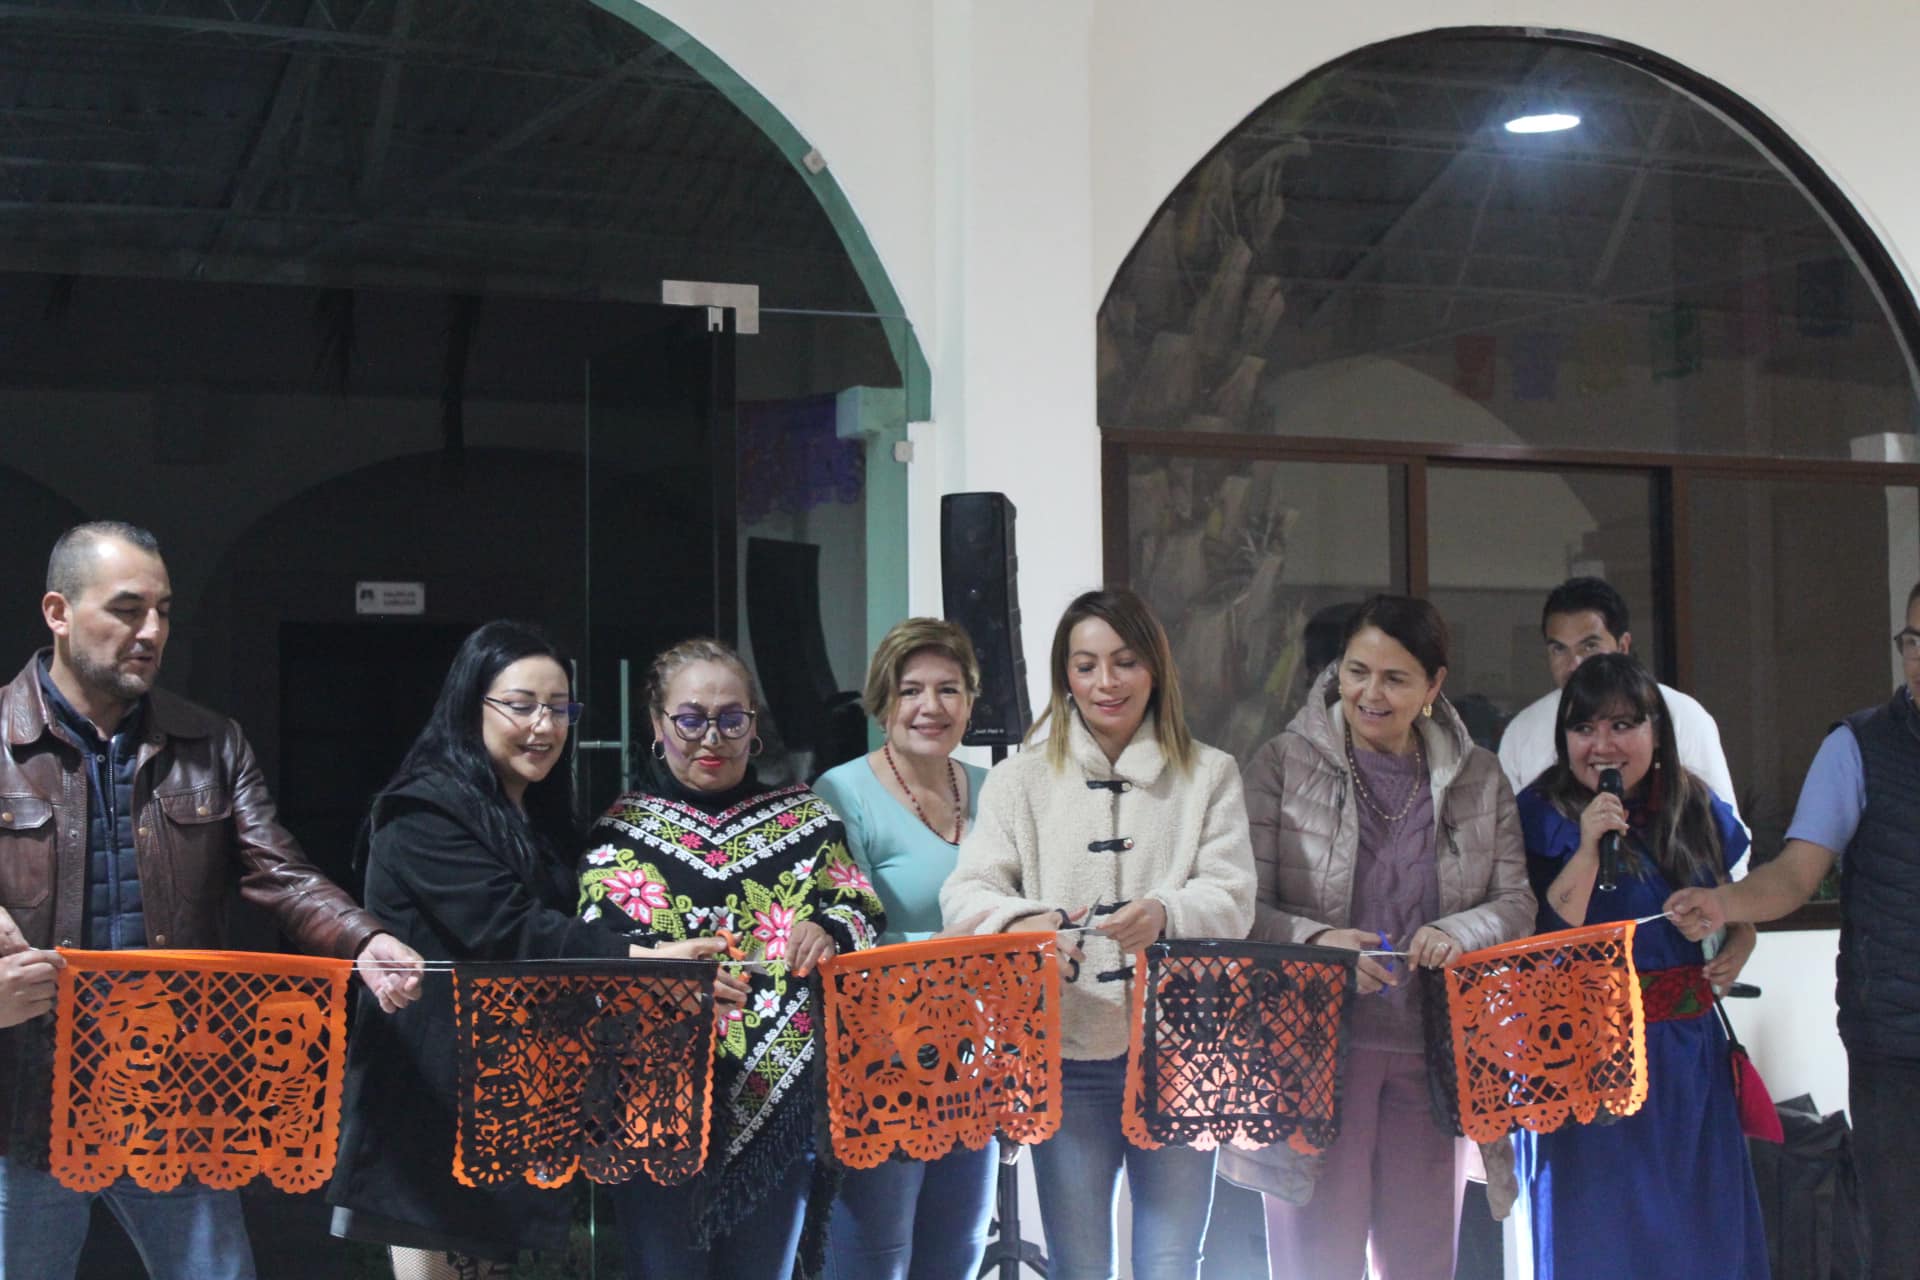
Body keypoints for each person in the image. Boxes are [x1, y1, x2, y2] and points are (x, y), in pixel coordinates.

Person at [0, 521, 425, 1280]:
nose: (152, 631)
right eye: (127, 609)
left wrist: (364, 942)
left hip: (174, 1092)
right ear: (57, 612)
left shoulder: (210, 742)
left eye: (163, 611)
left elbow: (280, 872)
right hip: (19, 1099)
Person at [326, 621, 742, 1278]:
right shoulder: (423, 810)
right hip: (427, 1102)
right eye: (521, 706)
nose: (544, 726)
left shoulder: (531, 811)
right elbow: (511, 931)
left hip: (503, 1091)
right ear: (472, 707)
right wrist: (650, 964)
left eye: (559, 708)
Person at [940, 587, 1255, 1280]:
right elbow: (965, 895)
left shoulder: (1210, 774)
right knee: (1081, 1267)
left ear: (1154, 670)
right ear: (1065, 678)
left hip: (1183, 1053)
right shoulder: (1020, 782)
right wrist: (1031, 926)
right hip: (1067, 1054)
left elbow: (1234, 897)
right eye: (1085, 666)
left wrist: (1168, 911)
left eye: (1124, 662)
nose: (1105, 683)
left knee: (1172, 1264)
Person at [1222, 594, 1534, 1280]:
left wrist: (1459, 930)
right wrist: (1316, 942)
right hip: (1309, 1053)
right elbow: (1241, 903)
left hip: (1432, 1053)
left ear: (1434, 686)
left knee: (1422, 1261)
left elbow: (1515, 901)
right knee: (1317, 1263)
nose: (1370, 693)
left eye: (1395, 678)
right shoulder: (1281, 765)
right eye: (1357, 671)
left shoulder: (1478, 777)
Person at [578, 637, 885, 1280]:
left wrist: (830, 926)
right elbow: (594, 959)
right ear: (659, 727)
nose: (710, 737)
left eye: (731, 718)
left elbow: (861, 911)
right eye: (690, 718)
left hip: (780, 1105)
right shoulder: (619, 830)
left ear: (754, 726)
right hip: (655, 1105)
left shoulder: (807, 820)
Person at [1665, 580, 1920, 1280]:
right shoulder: (1860, 747)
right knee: (1903, 1245)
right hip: (1896, 1043)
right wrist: (1725, 904)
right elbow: (1796, 875)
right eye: (1914, 641)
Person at [1515, 653, 1765, 1278]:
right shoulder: (1540, 811)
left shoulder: (1693, 803)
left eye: (1623, 725)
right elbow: (1543, 937)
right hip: (1582, 1063)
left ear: (1657, 728)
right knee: (1596, 1243)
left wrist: (1739, 940)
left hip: (1686, 1059)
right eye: (1583, 728)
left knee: (1696, 1241)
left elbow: (1736, 906)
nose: (1602, 745)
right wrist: (1588, 846)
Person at [813, 617, 996, 1280]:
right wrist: (966, 943)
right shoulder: (841, 791)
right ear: (882, 700)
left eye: (949, 690)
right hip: (881, 1061)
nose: (930, 707)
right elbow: (848, 932)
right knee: (878, 1262)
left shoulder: (997, 789)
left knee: (958, 1256)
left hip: (979, 1062)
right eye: (910, 689)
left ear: (971, 701)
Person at [1496, 578, 1742, 834]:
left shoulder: (1682, 714)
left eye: (1589, 646)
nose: (1574, 663)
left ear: (1622, 646)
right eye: (1559, 649)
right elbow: (1506, 845)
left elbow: (1722, 841)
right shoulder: (1523, 729)